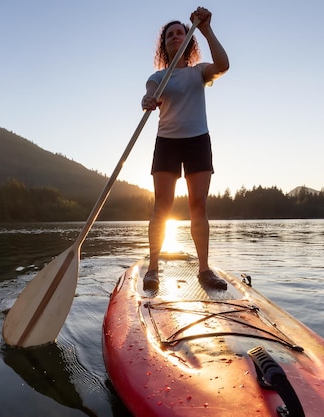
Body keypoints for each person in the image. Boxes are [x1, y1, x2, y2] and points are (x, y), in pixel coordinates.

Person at [141, 7, 230, 291]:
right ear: (164, 44)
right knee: (162, 206)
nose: (176, 37)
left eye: (180, 33)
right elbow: (149, 93)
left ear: (188, 40)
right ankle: (153, 269)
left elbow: (224, 65)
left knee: (198, 206)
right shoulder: (159, 77)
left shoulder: (198, 72)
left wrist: (205, 30)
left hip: (197, 141)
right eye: (170, 35)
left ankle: (204, 270)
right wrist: (148, 100)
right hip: (167, 143)